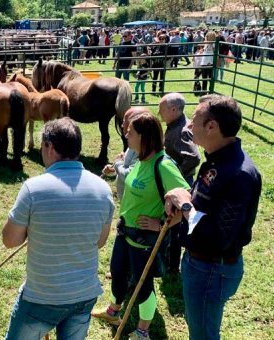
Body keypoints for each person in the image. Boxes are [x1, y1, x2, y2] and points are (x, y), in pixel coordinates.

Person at [3, 118, 114, 340]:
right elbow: (100, 242)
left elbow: (10, 240)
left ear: (49, 147)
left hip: (41, 297)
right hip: (84, 295)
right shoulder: (103, 189)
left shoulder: (33, 188)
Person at [164, 95, 262, 340]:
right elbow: (206, 205)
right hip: (199, 263)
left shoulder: (239, 175)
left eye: (194, 120)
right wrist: (184, 196)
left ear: (212, 126)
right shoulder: (215, 160)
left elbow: (218, 237)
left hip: (212, 269)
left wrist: (185, 206)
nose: (187, 125)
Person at [92, 112, 190, 340]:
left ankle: (142, 331)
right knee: (117, 272)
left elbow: (186, 198)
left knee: (142, 285)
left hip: (144, 238)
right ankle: (114, 311)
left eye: (130, 132)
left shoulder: (163, 165)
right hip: (125, 231)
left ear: (144, 137)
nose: (126, 134)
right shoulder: (140, 159)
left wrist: (161, 225)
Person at [158, 93, 201, 273]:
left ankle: (173, 265)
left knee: (174, 226)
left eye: (162, 110)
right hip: (177, 181)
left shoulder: (182, 130)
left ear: (173, 110)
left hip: (180, 183)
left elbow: (193, 157)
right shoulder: (174, 125)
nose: (160, 114)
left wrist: (177, 177)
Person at [101, 107, 150, 199]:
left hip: (135, 203)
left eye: (124, 121)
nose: (122, 125)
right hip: (127, 201)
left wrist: (118, 163)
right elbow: (126, 167)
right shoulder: (134, 143)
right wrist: (114, 170)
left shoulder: (145, 150)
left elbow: (130, 175)